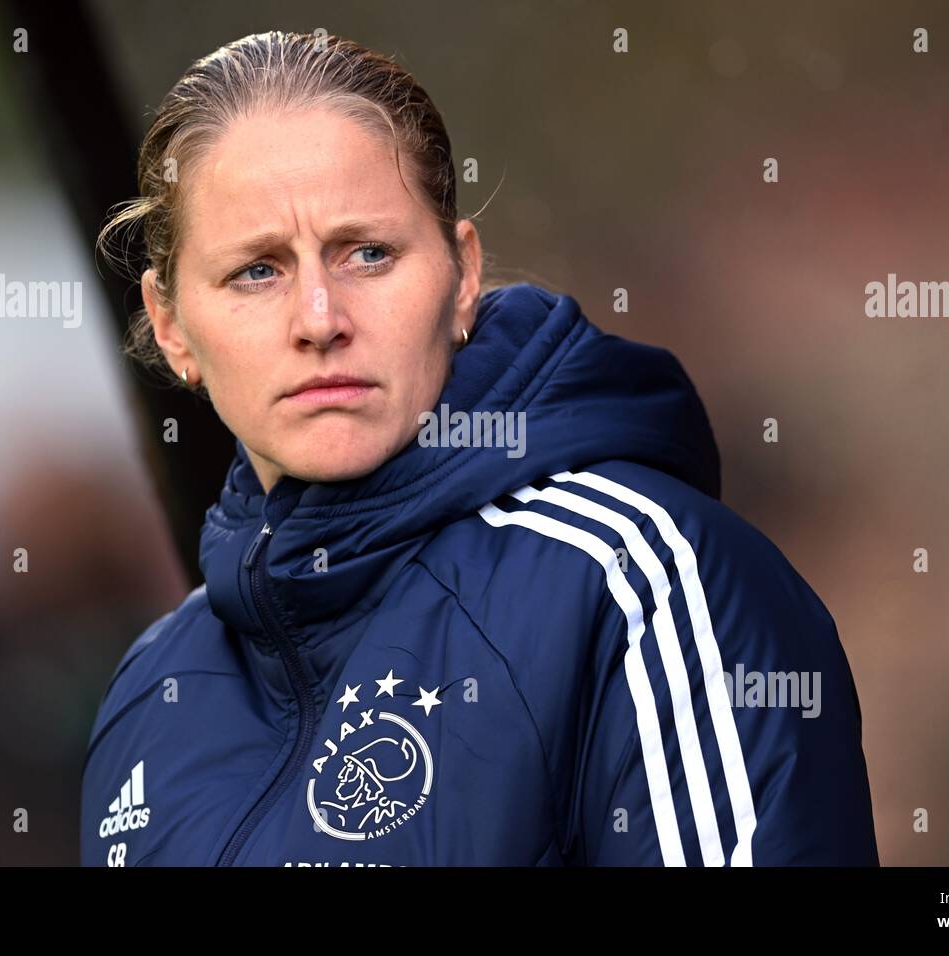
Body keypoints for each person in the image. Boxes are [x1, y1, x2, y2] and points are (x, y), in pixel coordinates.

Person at [80, 30, 878, 867]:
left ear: (462, 276)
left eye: (369, 253)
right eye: (257, 271)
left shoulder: (637, 580)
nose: (320, 319)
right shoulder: (148, 697)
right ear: (170, 324)